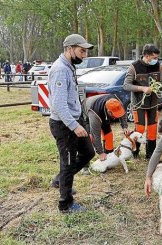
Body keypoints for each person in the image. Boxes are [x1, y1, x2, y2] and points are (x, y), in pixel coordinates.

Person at [48, 33, 95, 213]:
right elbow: (58, 105)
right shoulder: (60, 69)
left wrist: (80, 120)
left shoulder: (69, 67)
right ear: (69, 49)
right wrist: (74, 126)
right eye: (82, 51)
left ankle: (61, 180)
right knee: (67, 162)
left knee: (88, 152)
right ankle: (65, 204)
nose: (85, 55)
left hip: (74, 120)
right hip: (64, 125)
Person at [123, 44, 162, 159]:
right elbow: (126, 85)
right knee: (140, 129)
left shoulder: (158, 66)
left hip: (153, 103)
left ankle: (150, 155)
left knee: (152, 129)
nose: (156, 60)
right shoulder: (134, 67)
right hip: (138, 104)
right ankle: (134, 153)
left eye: (157, 58)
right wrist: (142, 88)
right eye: (154, 58)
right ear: (146, 56)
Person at [80, 94, 130, 174]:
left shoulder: (117, 102)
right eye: (114, 115)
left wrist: (125, 126)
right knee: (89, 138)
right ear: (109, 112)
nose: (116, 117)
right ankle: (85, 167)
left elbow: (123, 114)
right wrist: (100, 153)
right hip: (86, 112)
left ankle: (108, 160)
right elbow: (96, 136)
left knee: (108, 135)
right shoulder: (94, 115)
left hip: (103, 112)